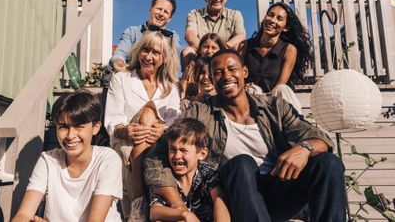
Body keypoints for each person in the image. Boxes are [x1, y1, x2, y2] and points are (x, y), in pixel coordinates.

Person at [144, 49, 346, 222]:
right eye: (218, 72)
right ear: (213, 79)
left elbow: (320, 139)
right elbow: (157, 155)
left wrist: (304, 149)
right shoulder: (200, 110)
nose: (226, 76)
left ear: (245, 72)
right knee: (242, 163)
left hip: (278, 188)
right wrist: (178, 204)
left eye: (232, 69)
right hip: (235, 194)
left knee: (328, 162)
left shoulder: (274, 107)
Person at [12, 91, 122, 222]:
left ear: (96, 127)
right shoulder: (48, 160)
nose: (70, 136)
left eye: (79, 126)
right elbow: (23, 215)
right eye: (63, 127)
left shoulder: (108, 159)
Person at [105, 30, 180, 219]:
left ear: (164, 58)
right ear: (138, 51)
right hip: (126, 144)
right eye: (145, 50)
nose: (148, 56)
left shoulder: (170, 87)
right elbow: (113, 120)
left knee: (150, 114)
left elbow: (174, 124)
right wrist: (126, 130)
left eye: (156, 52)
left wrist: (161, 130)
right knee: (148, 113)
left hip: (159, 144)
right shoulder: (121, 79)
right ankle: (151, 205)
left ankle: (139, 208)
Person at [149, 118, 230, 222]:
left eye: (183, 150)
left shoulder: (207, 174)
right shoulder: (167, 177)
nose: (177, 156)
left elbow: (220, 202)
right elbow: (154, 212)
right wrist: (185, 214)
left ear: (202, 154)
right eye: (172, 149)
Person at [241, 2, 313, 114]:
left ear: (286, 27)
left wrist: (264, 96)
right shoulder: (245, 46)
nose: (272, 20)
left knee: (283, 90)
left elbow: (279, 87)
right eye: (270, 15)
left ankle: (296, 126)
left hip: (275, 103)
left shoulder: (289, 50)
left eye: (279, 18)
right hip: (250, 101)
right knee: (252, 90)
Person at [181, 0, 246, 70]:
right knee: (187, 51)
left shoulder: (235, 14)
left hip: (225, 55)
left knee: (241, 46)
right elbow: (190, 35)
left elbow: (241, 35)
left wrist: (220, 51)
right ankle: (189, 82)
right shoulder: (194, 14)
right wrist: (206, 50)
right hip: (201, 57)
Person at [109, 0, 181, 71]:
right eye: (159, 9)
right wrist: (122, 68)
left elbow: (171, 63)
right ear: (150, 9)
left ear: (170, 18)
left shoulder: (172, 36)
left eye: (166, 12)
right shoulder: (132, 31)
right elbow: (119, 54)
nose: (161, 14)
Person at [180, 33, 224, 102]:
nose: (209, 51)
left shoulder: (224, 69)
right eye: (206, 47)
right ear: (200, 49)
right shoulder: (191, 68)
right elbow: (183, 90)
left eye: (213, 48)